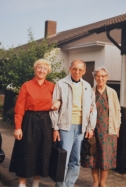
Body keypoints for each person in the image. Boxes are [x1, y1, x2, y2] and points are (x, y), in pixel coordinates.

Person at [9, 59, 60, 187]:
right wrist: (18, 127)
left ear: (48, 71)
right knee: (26, 152)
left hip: (45, 121)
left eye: (44, 68)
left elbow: (60, 100)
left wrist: (59, 102)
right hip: (29, 121)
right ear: (35, 69)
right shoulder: (26, 86)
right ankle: (22, 184)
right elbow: (19, 108)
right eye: (39, 67)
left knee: (42, 152)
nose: (42, 70)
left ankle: (36, 184)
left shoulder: (52, 86)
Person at [49, 59, 97, 187]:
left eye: (80, 70)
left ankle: (69, 184)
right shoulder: (61, 84)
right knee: (62, 160)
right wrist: (55, 128)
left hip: (81, 128)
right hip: (66, 127)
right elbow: (54, 108)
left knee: (75, 160)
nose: (77, 72)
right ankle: (60, 185)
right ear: (70, 69)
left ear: (84, 71)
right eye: (75, 69)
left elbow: (93, 109)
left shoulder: (87, 86)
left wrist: (90, 127)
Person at [81, 66, 121, 187]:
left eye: (103, 76)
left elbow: (117, 111)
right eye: (98, 76)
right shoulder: (90, 92)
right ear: (95, 77)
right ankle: (95, 182)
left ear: (107, 78)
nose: (100, 78)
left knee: (106, 157)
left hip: (108, 130)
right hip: (93, 129)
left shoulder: (112, 93)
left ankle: (102, 183)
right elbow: (83, 109)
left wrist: (117, 128)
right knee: (93, 156)